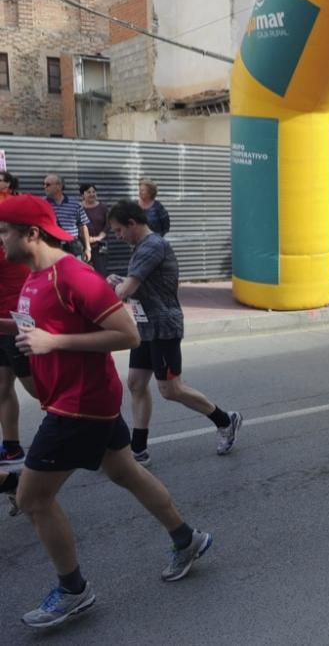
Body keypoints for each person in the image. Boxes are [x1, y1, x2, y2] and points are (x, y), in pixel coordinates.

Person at [0, 194, 211, 629]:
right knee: (125, 472)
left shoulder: (74, 276)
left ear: (31, 234)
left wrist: (53, 343)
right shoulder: (35, 275)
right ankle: (186, 539)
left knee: (33, 498)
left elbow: (129, 334)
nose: (0, 239)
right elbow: (35, 326)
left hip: (80, 405)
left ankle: (74, 591)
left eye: (4, 231)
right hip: (73, 399)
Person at [106, 201, 242, 466]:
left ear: (133, 223)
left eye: (119, 230)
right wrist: (119, 281)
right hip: (145, 327)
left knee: (171, 389)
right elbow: (134, 286)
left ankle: (226, 420)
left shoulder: (152, 246)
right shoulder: (141, 248)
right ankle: (139, 450)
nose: (118, 236)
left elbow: (126, 291)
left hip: (164, 328)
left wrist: (113, 287)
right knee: (135, 383)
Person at [0, 184, 34, 466]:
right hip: (1, 327)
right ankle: (12, 447)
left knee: (38, 389)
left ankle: (97, 432)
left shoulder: (8, 242)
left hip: (16, 323)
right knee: (1, 386)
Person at [43, 174, 91, 261]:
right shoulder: (42, 204)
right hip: (52, 246)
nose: (44, 187)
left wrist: (87, 248)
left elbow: (83, 226)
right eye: (44, 184)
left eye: (48, 184)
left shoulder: (75, 204)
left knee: (75, 272)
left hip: (73, 246)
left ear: (59, 186)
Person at [79, 183, 109, 276]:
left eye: (94, 192)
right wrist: (86, 239)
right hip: (82, 246)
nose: (92, 194)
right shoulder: (78, 208)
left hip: (100, 245)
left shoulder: (103, 208)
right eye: (89, 192)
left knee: (101, 272)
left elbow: (108, 224)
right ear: (82, 195)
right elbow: (76, 225)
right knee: (84, 273)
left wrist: (99, 237)